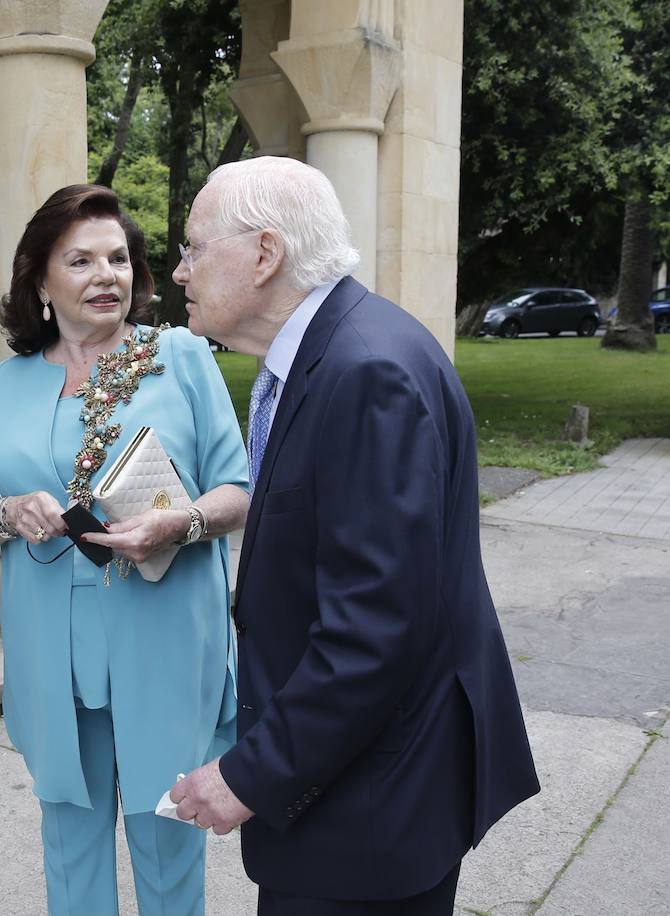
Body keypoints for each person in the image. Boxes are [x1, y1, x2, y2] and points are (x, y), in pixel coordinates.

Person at [168, 156, 540, 914]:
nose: (179, 271)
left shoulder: (366, 370)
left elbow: (376, 628)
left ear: (265, 254)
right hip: (361, 785)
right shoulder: (337, 351)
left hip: (371, 805)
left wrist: (249, 774)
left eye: (194, 247)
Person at [0, 184, 250, 915]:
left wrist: (183, 523)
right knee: (70, 850)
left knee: (171, 841)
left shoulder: (179, 357)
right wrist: (10, 513)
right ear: (41, 282)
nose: (104, 274)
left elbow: (238, 487)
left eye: (118, 257)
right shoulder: (2, 388)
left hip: (166, 640)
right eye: (79, 260)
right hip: (51, 652)